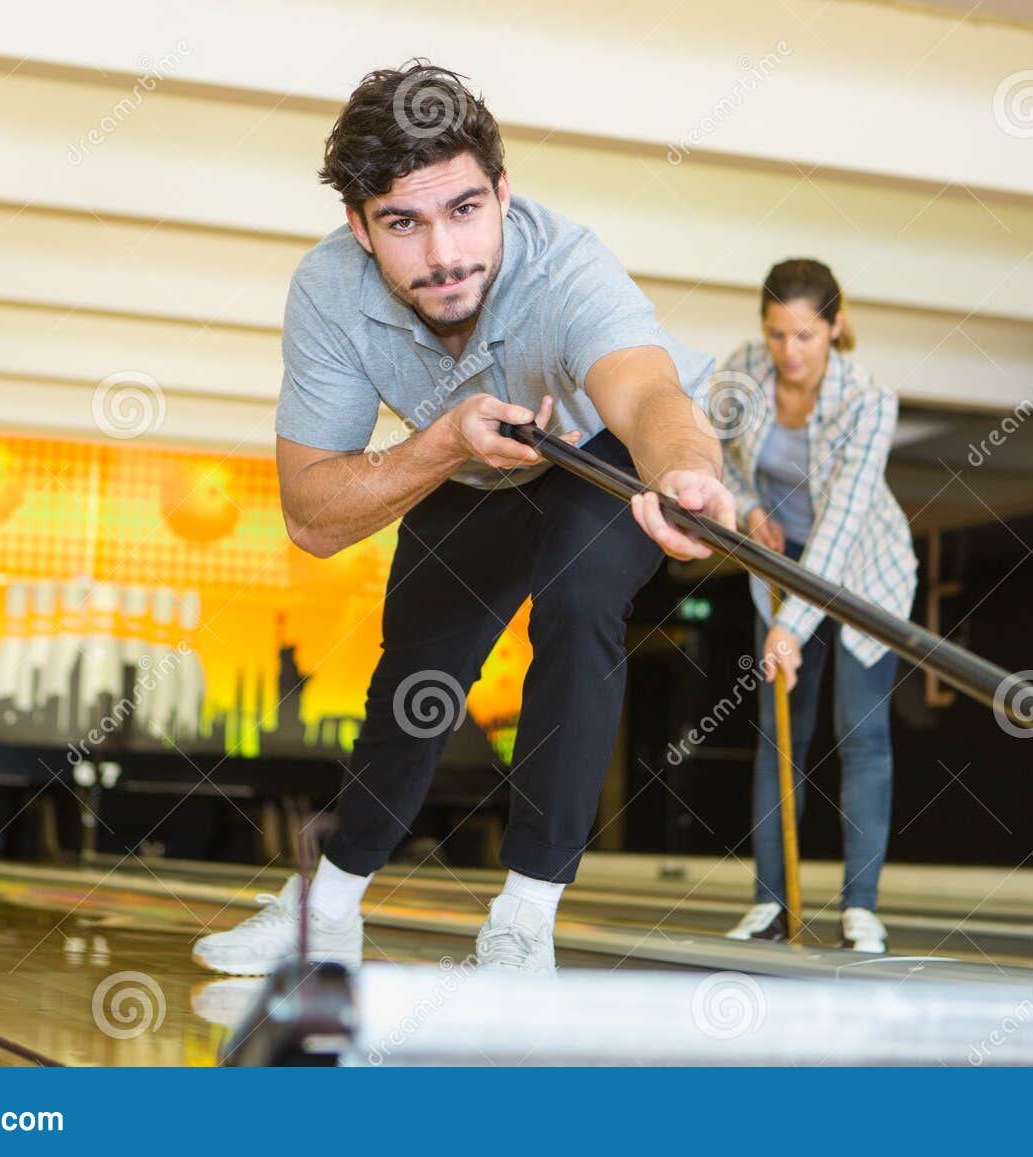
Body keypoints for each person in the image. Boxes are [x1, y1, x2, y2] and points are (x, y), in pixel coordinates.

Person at [193, 60, 735, 976]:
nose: (444, 252)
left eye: (465, 210)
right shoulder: (328, 293)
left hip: (598, 447)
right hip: (468, 451)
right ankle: (326, 908)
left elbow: (646, 394)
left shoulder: (565, 266)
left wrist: (686, 474)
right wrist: (444, 445)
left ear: (503, 194)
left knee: (577, 599)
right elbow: (314, 519)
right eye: (403, 222)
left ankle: (524, 917)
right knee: (418, 669)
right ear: (360, 230)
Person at [715, 259, 916, 953]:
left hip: (862, 570)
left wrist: (789, 628)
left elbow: (841, 522)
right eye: (776, 335)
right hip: (778, 564)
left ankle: (861, 906)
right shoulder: (741, 370)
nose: (789, 353)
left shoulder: (870, 400)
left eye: (805, 335)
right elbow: (721, 458)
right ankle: (770, 903)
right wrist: (747, 508)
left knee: (861, 736)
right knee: (779, 739)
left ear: (835, 325)